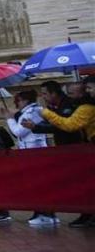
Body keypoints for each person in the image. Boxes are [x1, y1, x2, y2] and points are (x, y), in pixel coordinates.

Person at [35, 82, 95, 228]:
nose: (88, 91)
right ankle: (87, 214)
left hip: (78, 149)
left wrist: (46, 113)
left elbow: (69, 125)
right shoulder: (79, 106)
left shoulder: (84, 108)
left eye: (89, 88)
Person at [1, 90, 55, 226]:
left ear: (25, 100)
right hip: (29, 152)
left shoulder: (33, 112)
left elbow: (19, 131)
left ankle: (46, 214)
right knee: (35, 185)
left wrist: (9, 118)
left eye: (17, 101)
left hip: (35, 152)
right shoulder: (28, 112)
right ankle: (40, 211)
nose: (16, 104)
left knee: (40, 185)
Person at [27, 81, 82, 146]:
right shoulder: (52, 106)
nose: (43, 97)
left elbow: (59, 126)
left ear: (53, 93)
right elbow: (49, 122)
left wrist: (36, 127)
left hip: (74, 143)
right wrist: (34, 125)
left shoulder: (68, 104)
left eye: (45, 94)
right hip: (61, 143)